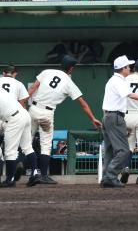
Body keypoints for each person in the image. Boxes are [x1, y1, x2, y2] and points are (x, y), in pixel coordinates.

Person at [28, 55, 102, 184]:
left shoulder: (47, 72)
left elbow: (32, 88)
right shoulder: (68, 82)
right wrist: (92, 118)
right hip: (46, 113)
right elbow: (82, 103)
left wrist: (21, 102)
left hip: (33, 109)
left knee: (26, 143)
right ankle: (43, 176)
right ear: (71, 68)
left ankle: (33, 172)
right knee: (45, 145)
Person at [100, 55, 138, 188]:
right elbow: (131, 95)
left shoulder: (114, 80)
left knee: (110, 150)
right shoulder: (118, 81)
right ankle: (110, 176)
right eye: (127, 66)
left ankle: (106, 178)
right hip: (117, 117)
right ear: (123, 68)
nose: (130, 68)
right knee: (124, 150)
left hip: (110, 116)